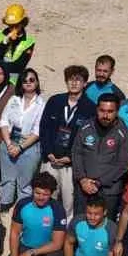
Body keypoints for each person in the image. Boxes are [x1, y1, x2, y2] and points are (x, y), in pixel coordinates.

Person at [1, 172, 67, 256]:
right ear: (32, 190)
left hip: (48, 250)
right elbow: (14, 233)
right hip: (26, 246)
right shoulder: (22, 205)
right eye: (37, 193)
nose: (41, 197)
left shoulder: (58, 209)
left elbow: (57, 243)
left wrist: (31, 253)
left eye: (45, 194)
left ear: (51, 194)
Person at [37, 65, 93, 216]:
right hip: (50, 160)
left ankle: (64, 235)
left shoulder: (90, 108)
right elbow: (44, 128)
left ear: (85, 83)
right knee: (46, 198)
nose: (74, 83)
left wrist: (70, 157)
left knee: (68, 203)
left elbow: (87, 138)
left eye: (78, 80)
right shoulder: (55, 101)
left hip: (71, 165)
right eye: (70, 80)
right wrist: (48, 152)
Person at [72, 93, 128, 218]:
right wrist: (83, 179)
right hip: (84, 188)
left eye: (110, 111)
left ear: (117, 111)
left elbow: (123, 165)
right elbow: (76, 153)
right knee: (80, 223)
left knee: (105, 228)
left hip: (108, 191)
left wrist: (98, 182)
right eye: (102, 111)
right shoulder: (85, 127)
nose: (105, 115)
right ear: (97, 109)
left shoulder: (124, 133)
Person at [0, 69, 45, 208]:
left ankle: (21, 209)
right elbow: (4, 121)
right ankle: (5, 206)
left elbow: (37, 131)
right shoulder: (14, 99)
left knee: (25, 183)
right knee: (7, 179)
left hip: (29, 145)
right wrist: (9, 143)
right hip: (9, 141)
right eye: (25, 80)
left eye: (32, 80)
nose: (28, 83)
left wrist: (20, 148)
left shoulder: (41, 104)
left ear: (36, 82)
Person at [0, 4, 35, 80]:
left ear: (22, 23)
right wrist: (5, 42)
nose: (13, 28)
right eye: (10, 25)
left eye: (16, 25)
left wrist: (0, 67)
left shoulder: (29, 41)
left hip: (15, 81)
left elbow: (20, 65)